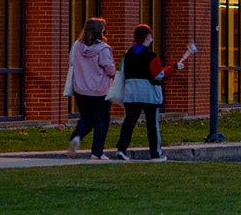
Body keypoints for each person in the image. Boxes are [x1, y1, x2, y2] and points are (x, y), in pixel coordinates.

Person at [113, 24, 192, 161]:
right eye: (150, 37)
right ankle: (155, 153)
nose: (151, 39)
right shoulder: (151, 55)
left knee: (129, 122)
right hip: (149, 94)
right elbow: (158, 74)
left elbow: (122, 71)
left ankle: (121, 149)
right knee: (152, 124)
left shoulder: (127, 54)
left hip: (131, 93)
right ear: (147, 38)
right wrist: (173, 68)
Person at [67, 17, 115, 160]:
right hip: (100, 91)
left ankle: (76, 137)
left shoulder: (77, 46)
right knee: (102, 121)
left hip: (81, 89)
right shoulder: (103, 48)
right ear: (101, 31)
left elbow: (71, 62)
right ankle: (97, 152)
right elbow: (109, 69)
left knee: (86, 118)